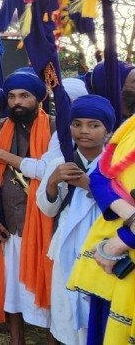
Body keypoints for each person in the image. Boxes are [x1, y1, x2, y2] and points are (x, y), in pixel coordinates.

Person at [0, 71, 55, 341]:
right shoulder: (0, 127)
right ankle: (16, 339)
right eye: (11, 96)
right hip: (8, 218)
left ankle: (51, 339)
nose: (17, 102)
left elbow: (45, 170)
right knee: (10, 285)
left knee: (48, 283)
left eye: (24, 96)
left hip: (44, 222)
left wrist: (2, 154)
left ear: (39, 99)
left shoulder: (55, 127)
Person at [36, 95, 113, 345]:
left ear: (108, 130)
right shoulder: (59, 163)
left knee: (100, 312)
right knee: (67, 310)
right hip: (67, 245)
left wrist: (90, 185)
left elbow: (123, 207)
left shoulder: (117, 166)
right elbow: (48, 209)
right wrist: (52, 182)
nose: (84, 131)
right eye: (77, 124)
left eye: (93, 125)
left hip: (104, 246)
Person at [67, 110, 135, 344]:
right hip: (116, 260)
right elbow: (99, 177)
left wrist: (123, 241)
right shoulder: (131, 126)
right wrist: (130, 217)